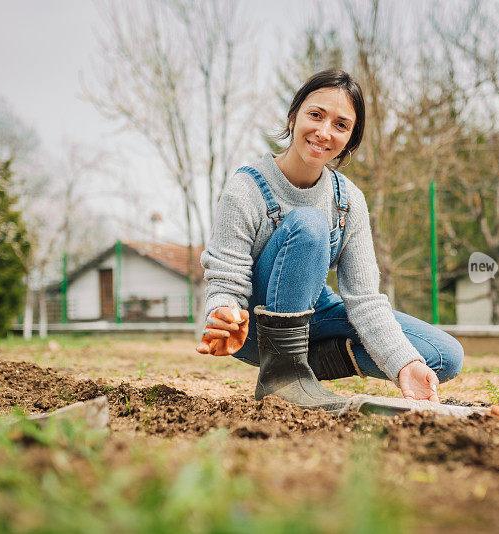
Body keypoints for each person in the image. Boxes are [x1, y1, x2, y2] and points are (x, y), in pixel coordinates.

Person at [196, 69, 464, 413]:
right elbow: (227, 277)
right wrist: (224, 312)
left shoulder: (348, 199)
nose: (324, 132)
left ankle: (302, 368)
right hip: (255, 328)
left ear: (350, 138)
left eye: (341, 125)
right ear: (293, 118)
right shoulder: (246, 188)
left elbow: (364, 299)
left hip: (313, 313)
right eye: (316, 115)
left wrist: (403, 366)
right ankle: (281, 373)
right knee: (308, 224)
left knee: (442, 355)